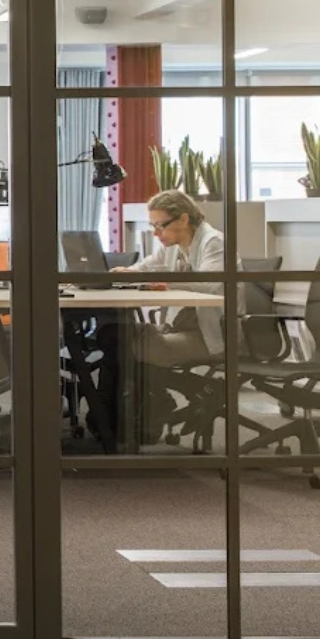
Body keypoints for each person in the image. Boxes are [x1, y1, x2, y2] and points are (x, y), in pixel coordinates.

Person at [78, 189, 224, 450]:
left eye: (161, 225)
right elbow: (145, 267)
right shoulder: (172, 248)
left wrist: (164, 281)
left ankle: (110, 424)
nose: (156, 233)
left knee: (120, 344)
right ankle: (112, 423)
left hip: (208, 335)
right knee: (113, 336)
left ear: (182, 219)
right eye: (153, 226)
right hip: (179, 328)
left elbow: (212, 285)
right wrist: (125, 272)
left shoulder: (213, 243)